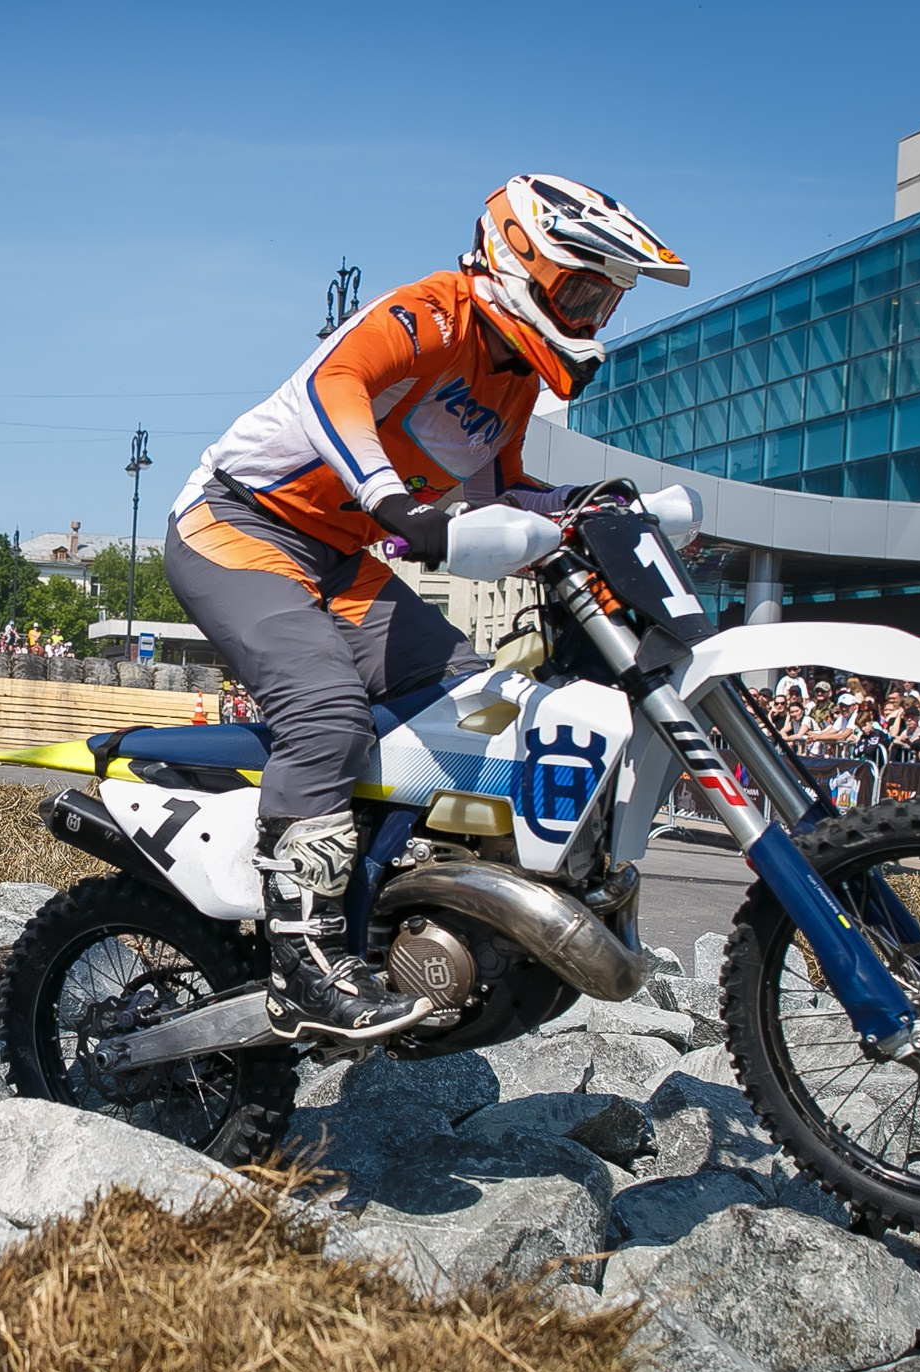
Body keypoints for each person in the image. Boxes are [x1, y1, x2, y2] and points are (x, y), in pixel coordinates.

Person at [163, 173, 689, 1042]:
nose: (594, 314)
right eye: (583, 289)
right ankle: (303, 959)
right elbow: (332, 387)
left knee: (470, 697)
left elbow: (501, 483)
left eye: (607, 299)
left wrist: (586, 508)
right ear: (523, 260)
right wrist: (388, 501)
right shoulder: (431, 314)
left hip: (336, 555)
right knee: (327, 712)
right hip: (238, 522)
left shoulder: (514, 377)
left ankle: (392, 895)